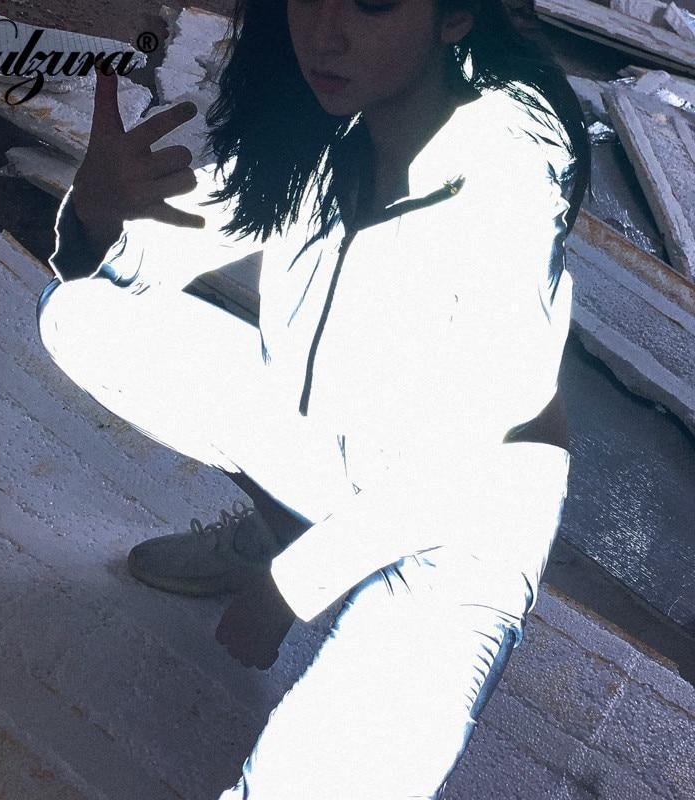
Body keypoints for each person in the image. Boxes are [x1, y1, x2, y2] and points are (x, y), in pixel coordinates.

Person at [36, 0, 590, 796]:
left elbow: (466, 457)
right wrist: (95, 215)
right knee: (83, 317)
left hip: (467, 512)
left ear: (454, 17)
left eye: (371, 2)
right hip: (336, 441)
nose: (324, 34)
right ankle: (282, 522)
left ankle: (315, 555)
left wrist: (290, 587)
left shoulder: (512, 167)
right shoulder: (325, 119)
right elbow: (160, 251)